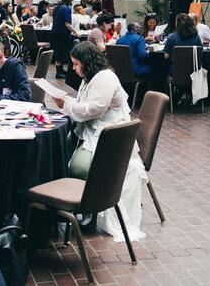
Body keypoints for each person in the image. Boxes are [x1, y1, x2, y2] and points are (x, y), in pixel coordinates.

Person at [51, 42, 146, 241]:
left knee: (78, 166)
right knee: (61, 151)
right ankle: (67, 205)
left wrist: (66, 104)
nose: (74, 69)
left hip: (110, 136)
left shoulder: (105, 78)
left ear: (87, 62)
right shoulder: (90, 77)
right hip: (95, 130)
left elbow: (93, 109)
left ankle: (86, 209)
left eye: (76, 64)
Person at [51, 0, 80, 79]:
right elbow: (67, 24)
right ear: (69, 0)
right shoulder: (66, 9)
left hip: (55, 33)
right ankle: (59, 73)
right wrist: (75, 32)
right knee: (61, 52)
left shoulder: (57, 7)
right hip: (61, 34)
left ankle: (59, 70)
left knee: (58, 53)